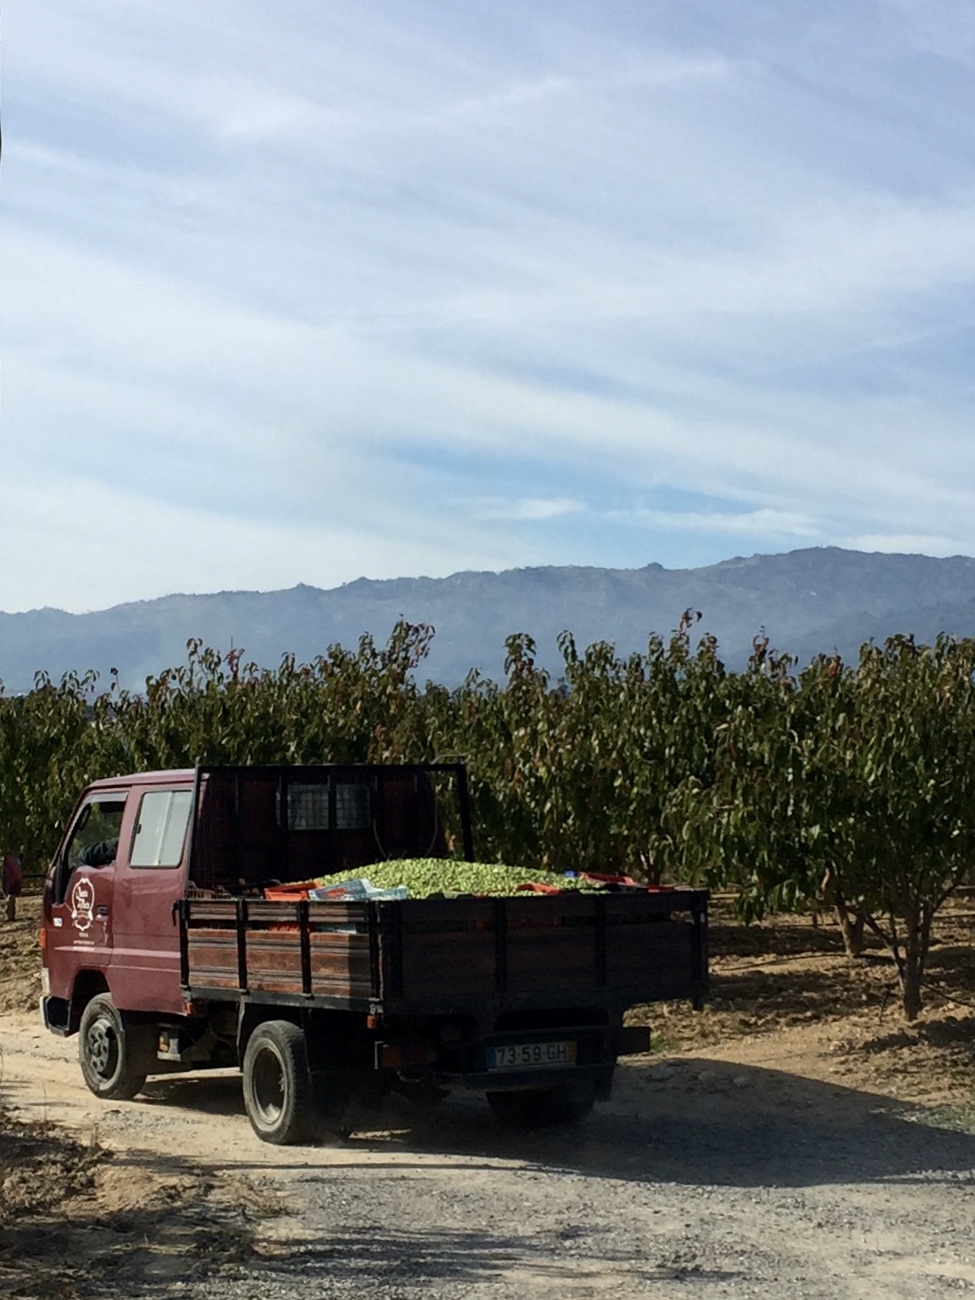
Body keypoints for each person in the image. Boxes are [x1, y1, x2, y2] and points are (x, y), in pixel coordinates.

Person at [2, 853, 23, 922]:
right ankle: (10, 915)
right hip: (12, 881)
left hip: (12, 882)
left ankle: (10, 916)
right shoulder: (12, 860)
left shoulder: (12, 860)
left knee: (11, 898)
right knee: (11, 898)